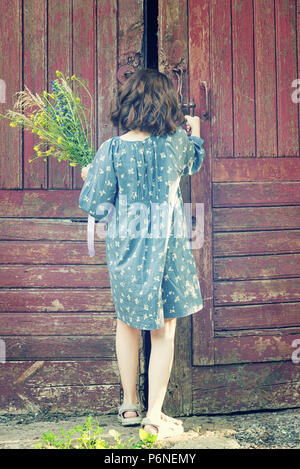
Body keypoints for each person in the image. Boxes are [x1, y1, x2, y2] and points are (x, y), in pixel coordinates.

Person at [79, 68, 206, 440]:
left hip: (127, 250)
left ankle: (130, 406)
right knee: (165, 329)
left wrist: (91, 174)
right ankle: (154, 417)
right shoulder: (177, 142)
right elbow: (193, 161)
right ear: (167, 105)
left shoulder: (112, 149)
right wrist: (195, 129)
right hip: (167, 247)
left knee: (127, 322)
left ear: (127, 104)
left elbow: (95, 205)